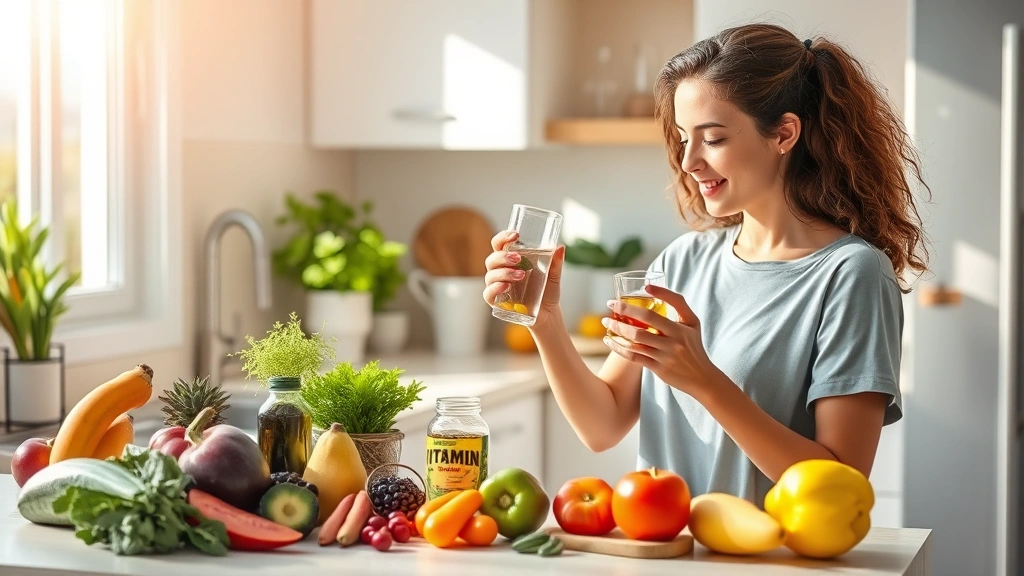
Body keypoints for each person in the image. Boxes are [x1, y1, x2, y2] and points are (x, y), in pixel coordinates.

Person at [482, 23, 929, 506]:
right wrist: (544, 321)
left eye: (712, 138)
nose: (690, 161)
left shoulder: (852, 274)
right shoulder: (683, 261)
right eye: (682, 137)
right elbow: (602, 424)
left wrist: (705, 381)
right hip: (669, 549)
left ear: (784, 133)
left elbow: (841, 489)